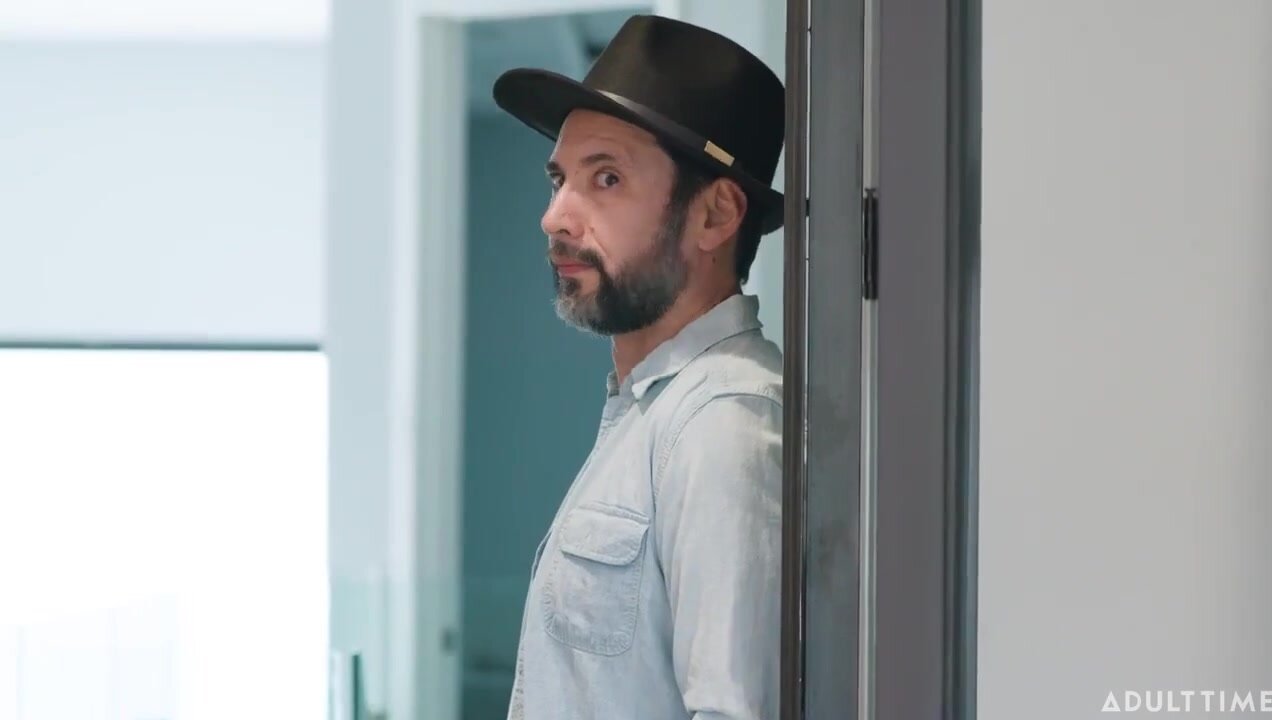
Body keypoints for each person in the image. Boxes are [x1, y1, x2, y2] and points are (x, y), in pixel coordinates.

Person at [492, 14, 785, 720]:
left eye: (607, 178)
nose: (556, 217)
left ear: (715, 216)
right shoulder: (651, 412)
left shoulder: (722, 423)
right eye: (560, 179)